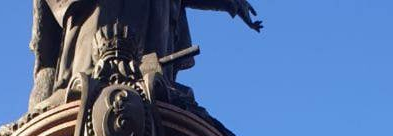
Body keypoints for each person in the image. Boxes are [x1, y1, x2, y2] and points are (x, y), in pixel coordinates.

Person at [29, 0, 262, 108]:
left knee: (156, 96)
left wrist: (230, 3)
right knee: (86, 85)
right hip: (95, 18)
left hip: (154, 25)